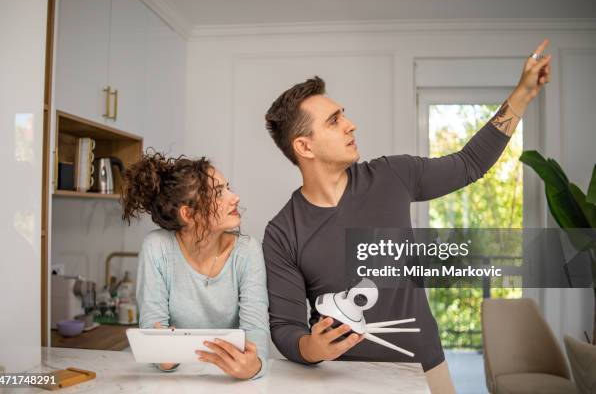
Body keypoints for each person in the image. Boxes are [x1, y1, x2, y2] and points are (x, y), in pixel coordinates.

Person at [262, 39, 552, 393]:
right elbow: (286, 327)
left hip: (425, 368)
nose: (350, 125)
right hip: (341, 380)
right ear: (304, 146)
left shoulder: (392, 175)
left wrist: (522, 95)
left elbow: (469, 164)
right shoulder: (282, 233)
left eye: (344, 115)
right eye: (335, 121)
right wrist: (310, 347)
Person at [121, 152, 270, 379]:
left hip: (228, 379)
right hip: (174, 381)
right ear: (188, 214)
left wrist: (255, 366)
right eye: (219, 193)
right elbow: (153, 326)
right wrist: (165, 359)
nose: (235, 197)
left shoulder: (247, 251)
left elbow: (256, 334)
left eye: (227, 188)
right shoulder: (157, 248)